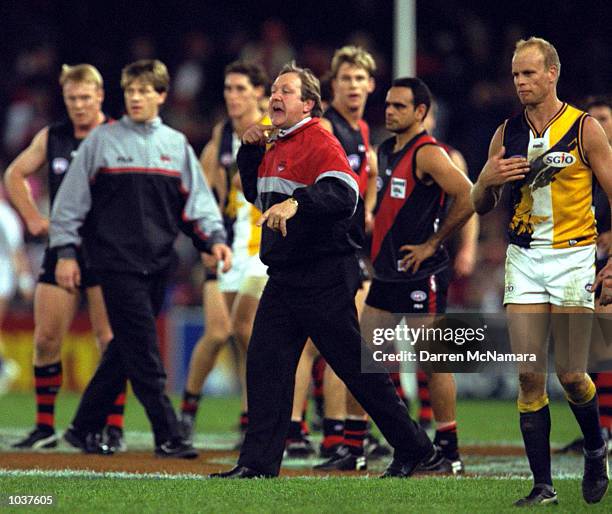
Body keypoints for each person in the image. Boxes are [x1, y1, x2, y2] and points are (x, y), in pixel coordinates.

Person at [210, 62, 436, 479]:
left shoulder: (318, 138)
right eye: (274, 90)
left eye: (285, 92)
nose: (275, 97)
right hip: (286, 275)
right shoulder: (277, 142)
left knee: (354, 368)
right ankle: (257, 464)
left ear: (309, 104)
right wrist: (249, 151)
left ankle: (416, 448)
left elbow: (345, 192)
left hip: (322, 274)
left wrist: (298, 203)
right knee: (265, 363)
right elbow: (260, 198)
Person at [49, 59, 231, 457]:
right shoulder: (101, 141)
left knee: (125, 350)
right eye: (130, 90)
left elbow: (197, 205)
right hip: (113, 263)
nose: (135, 97)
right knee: (145, 351)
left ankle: (82, 427)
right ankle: (168, 433)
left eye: (144, 90)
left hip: (157, 264)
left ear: (161, 95)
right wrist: (65, 252)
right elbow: (69, 205)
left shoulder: (176, 145)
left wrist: (214, 240)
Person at [471, 37, 611, 506]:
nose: (521, 82)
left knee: (571, 373)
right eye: (515, 75)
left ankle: (595, 446)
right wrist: (485, 182)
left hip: (573, 256)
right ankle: (542, 487)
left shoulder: (584, 129)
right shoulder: (505, 133)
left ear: (552, 73)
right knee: (529, 374)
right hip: (525, 258)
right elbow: (479, 203)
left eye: (529, 74)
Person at [318, 77, 474, 473]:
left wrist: (433, 242)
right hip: (385, 275)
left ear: (421, 112)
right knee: (367, 360)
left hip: (422, 275)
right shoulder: (386, 150)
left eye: (400, 106)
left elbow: (469, 194)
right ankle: (353, 450)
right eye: (388, 104)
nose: (389, 111)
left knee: (434, 361)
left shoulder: (429, 154)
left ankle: (449, 451)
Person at [3, 64, 124, 451]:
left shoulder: (118, 135)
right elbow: (13, 175)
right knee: (46, 338)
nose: (79, 105)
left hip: (107, 251)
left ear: (100, 96)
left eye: (86, 98)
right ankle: (44, 426)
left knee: (109, 341)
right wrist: (33, 217)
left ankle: (113, 427)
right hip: (62, 249)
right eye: (72, 99)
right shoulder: (52, 136)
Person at [287, 45, 384, 460]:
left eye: (360, 79)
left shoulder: (360, 132)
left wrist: (371, 209)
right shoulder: (326, 127)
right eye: (346, 79)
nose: (353, 86)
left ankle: (333, 433)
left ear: (371, 85)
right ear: (333, 85)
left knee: (335, 343)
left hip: (347, 247)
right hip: (326, 246)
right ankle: (323, 432)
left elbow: (370, 173)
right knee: (330, 344)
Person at [178, 61, 269, 446]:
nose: (233, 96)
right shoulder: (221, 137)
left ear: (260, 95)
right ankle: (186, 414)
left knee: (248, 331)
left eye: (241, 89)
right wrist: (204, 240)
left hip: (263, 251)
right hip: (226, 248)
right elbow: (200, 193)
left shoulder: (272, 133)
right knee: (218, 332)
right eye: (228, 89)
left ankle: (257, 419)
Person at [559, 96, 612, 455]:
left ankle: (605, 430)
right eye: (593, 120)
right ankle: (600, 430)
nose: (599, 125)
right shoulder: (579, 172)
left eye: (605, 118)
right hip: (585, 263)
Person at [0, 190, 33, 396]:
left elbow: (16, 251)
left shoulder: (5, 214)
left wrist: (25, 282)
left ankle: (3, 366)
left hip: (2, 278)